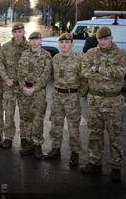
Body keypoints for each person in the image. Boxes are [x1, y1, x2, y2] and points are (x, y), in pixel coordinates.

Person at [80, 26, 126, 182]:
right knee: (95, 133)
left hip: (113, 101)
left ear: (111, 37)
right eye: (100, 39)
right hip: (94, 101)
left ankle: (116, 167)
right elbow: (85, 72)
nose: (103, 42)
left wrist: (98, 69)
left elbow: (120, 73)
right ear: (97, 39)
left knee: (115, 135)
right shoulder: (90, 53)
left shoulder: (121, 55)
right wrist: (106, 75)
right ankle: (95, 162)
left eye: (106, 39)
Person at [44, 33, 86, 167]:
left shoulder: (78, 60)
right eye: (62, 42)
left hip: (71, 97)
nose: (64, 45)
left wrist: (80, 93)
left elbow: (84, 79)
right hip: (57, 95)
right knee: (56, 124)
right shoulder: (55, 58)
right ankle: (55, 149)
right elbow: (49, 74)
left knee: (73, 127)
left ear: (71, 44)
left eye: (67, 42)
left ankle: (75, 153)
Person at [17, 31, 52, 160]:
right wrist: (23, 87)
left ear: (40, 41)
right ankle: (28, 144)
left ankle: (37, 146)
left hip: (38, 92)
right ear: (30, 41)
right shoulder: (24, 54)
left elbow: (46, 75)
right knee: (26, 117)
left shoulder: (46, 56)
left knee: (37, 119)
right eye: (32, 40)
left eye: (37, 39)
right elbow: (19, 73)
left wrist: (34, 88)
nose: (34, 42)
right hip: (25, 91)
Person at [0, 23, 29, 149]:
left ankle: (25, 138)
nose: (17, 34)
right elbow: (0, 64)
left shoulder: (29, 47)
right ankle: (8, 137)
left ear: (24, 32)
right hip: (9, 86)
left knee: (24, 113)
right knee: (9, 114)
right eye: (15, 32)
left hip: (23, 87)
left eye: (20, 31)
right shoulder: (5, 47)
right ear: (12, 33)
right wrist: (6, 78)